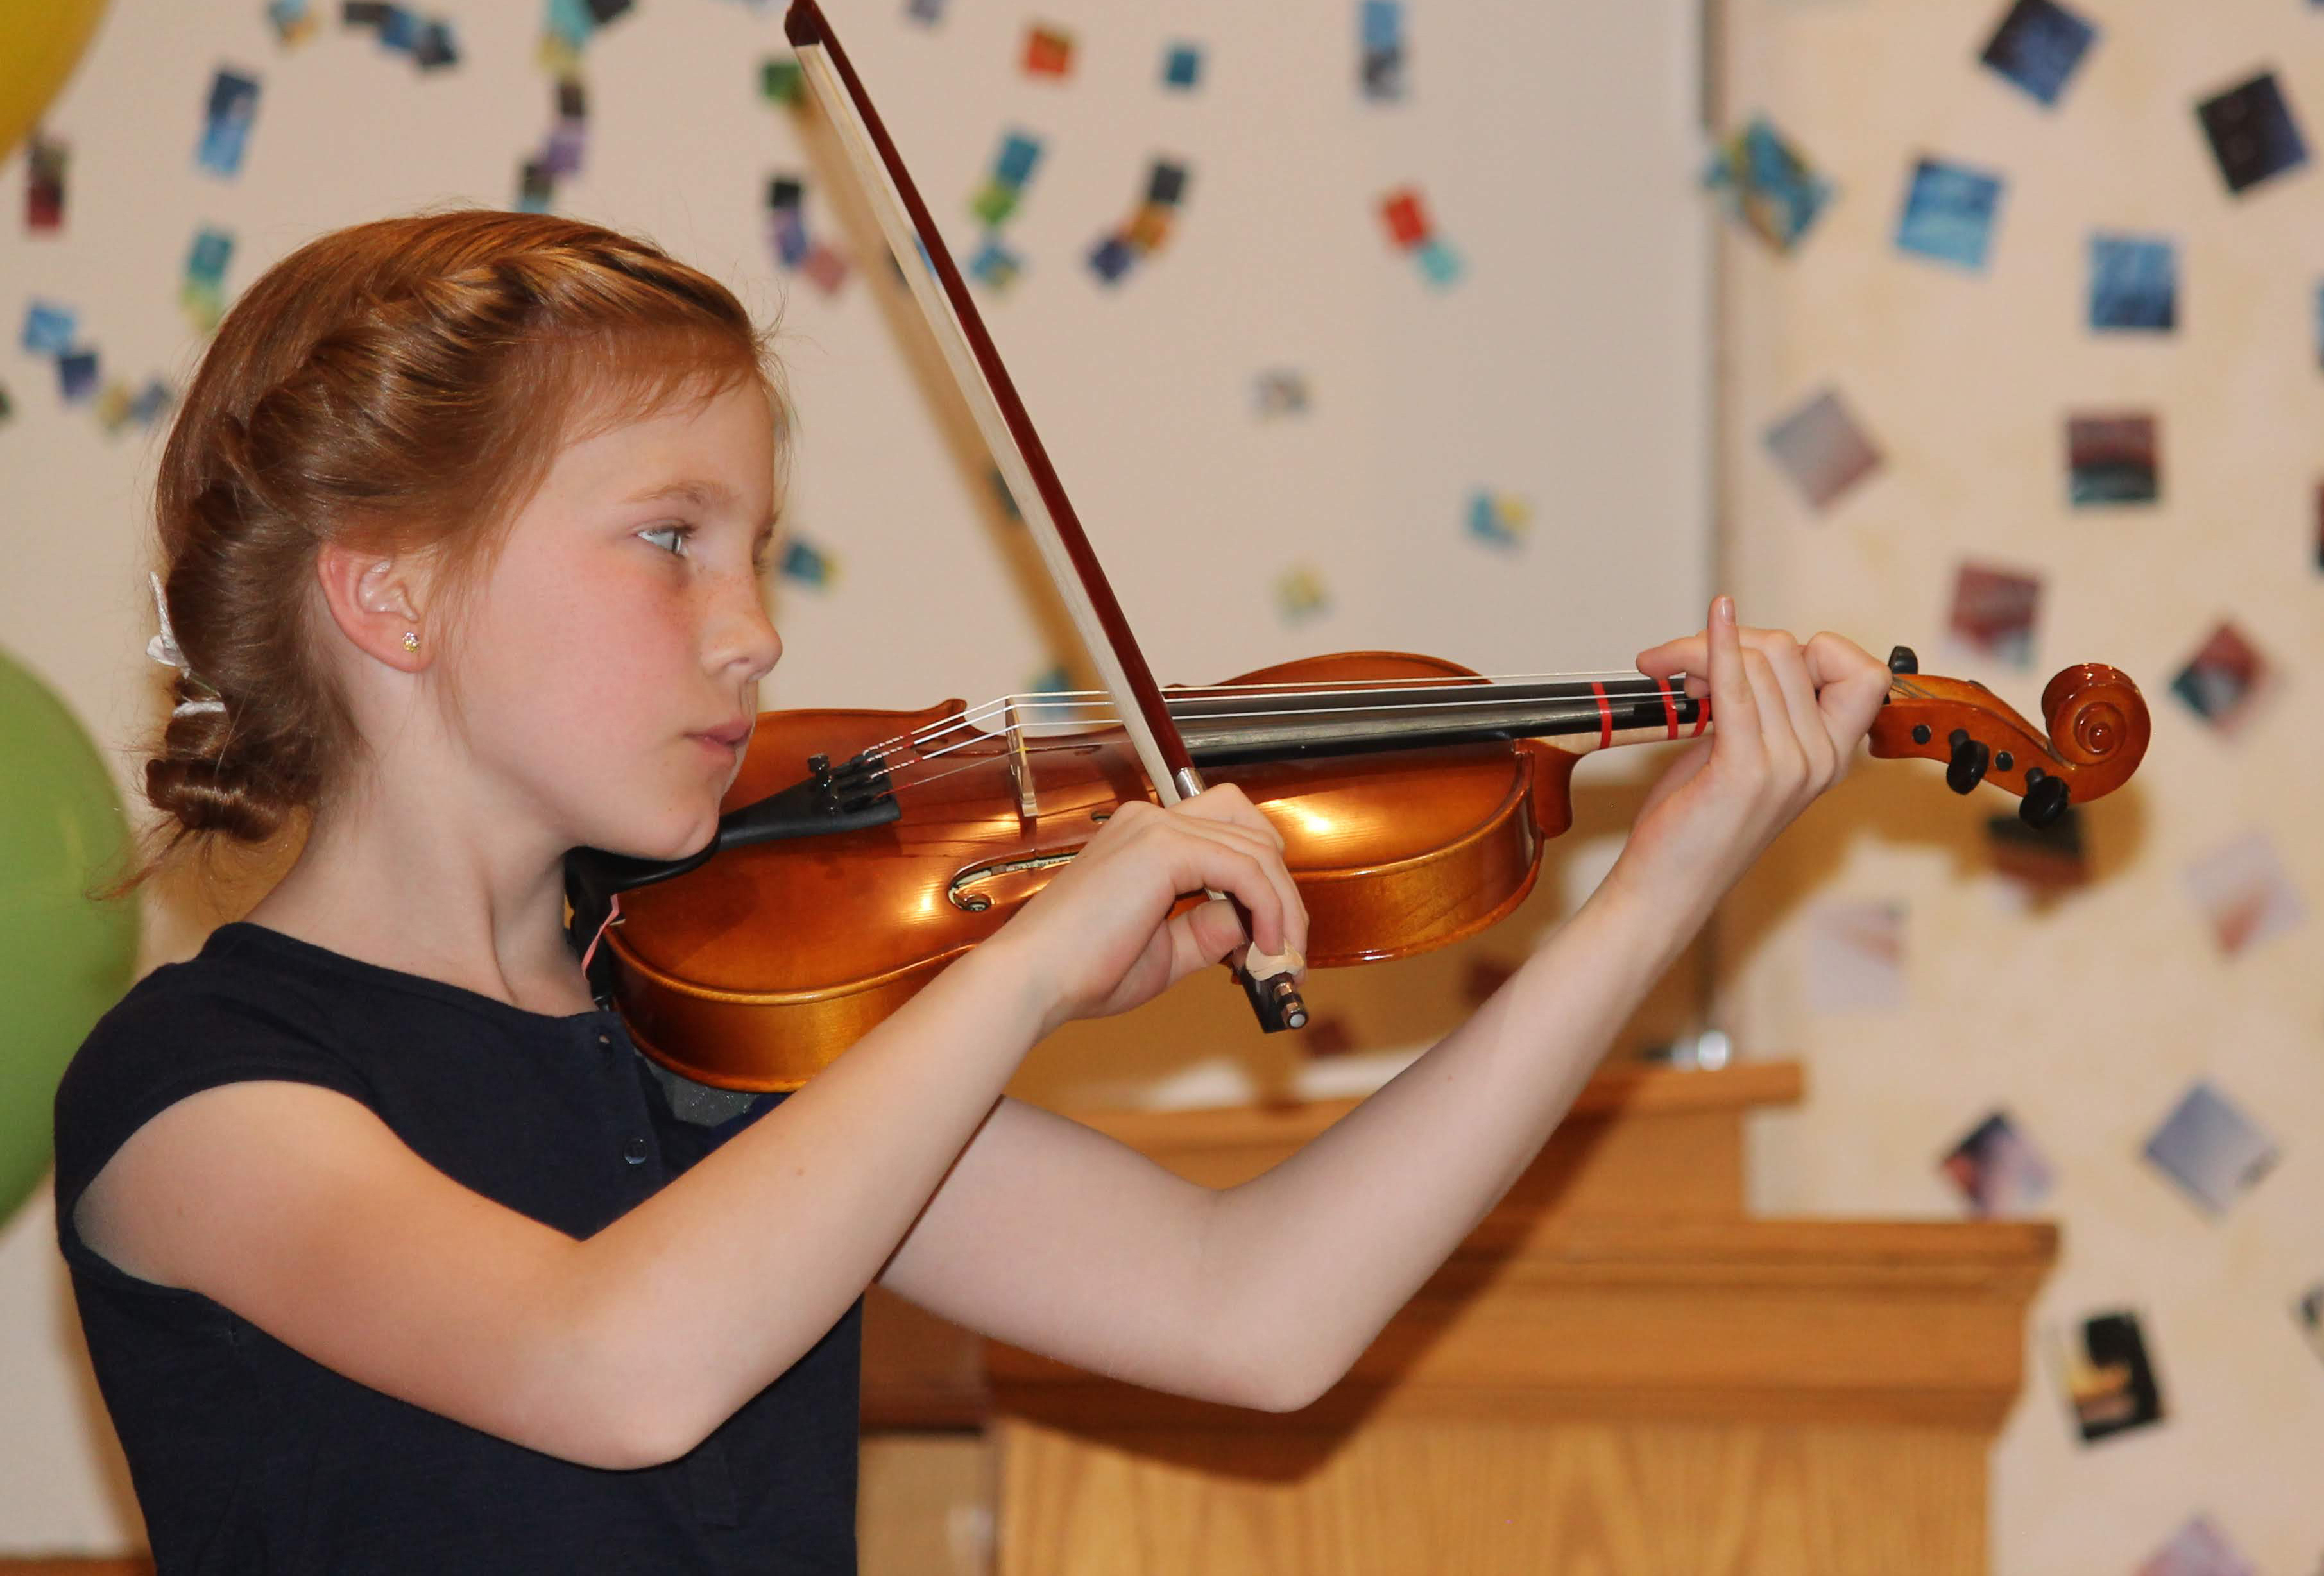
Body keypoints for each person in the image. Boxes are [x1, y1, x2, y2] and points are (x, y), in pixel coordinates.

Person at [55, 208, 1891, 1572]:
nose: (755, 629)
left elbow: (1250, 1309)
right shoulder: (197, 1098)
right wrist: (1013, 978)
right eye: (671, 539)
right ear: (391, 592)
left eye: (761, 551)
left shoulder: (707, 1030)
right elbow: (613, 1366)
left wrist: (1654, 892)